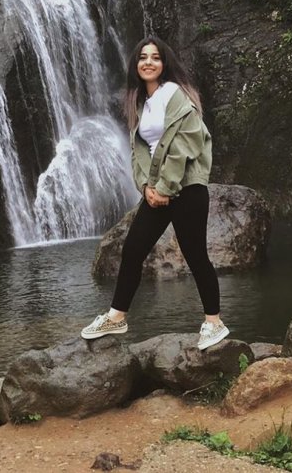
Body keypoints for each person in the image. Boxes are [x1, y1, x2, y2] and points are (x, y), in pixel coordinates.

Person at [81, 36, 229, 351]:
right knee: (133, 249)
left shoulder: (175, 95)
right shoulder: (141, 104)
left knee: (196, 255)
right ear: (136, 66)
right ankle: (117, 317)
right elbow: (140, 152)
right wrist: (147, 188)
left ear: (164, 65)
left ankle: (214, 323)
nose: (148, 62)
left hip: (186, 189)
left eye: (155, 57)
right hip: (157, 192)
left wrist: (163, 187)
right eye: (143, 57)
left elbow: (186, 145)